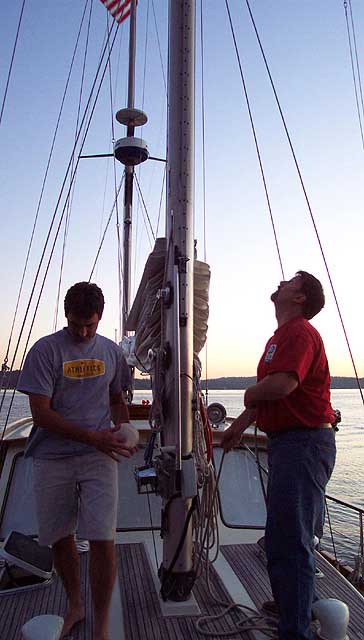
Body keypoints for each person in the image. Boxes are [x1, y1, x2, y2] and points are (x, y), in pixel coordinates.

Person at [18, 282, 137, 640]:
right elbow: (40, 414)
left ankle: (100, 625)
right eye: (76, 325)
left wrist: (125, 425)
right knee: (59, 535)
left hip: (98, 456)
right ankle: (75, 604)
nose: (83, 332)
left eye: (90, 325)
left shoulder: (112, 353)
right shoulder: (45, 351)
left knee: (102, 537)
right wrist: (91, 436)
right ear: (66, 315)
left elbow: (116, 397)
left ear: (99, 318)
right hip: (53, 457)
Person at [222, 271, 336, 640]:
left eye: (290, 281)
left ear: (300, 297)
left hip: (303, 445)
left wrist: (247, 395)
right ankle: (293, 605)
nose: (281, 283)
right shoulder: (281, 337)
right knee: (281, 536)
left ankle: (295, 628)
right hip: (290, 444)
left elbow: (283, 385)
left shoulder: (300, 333)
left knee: (292, 540)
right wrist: (238, 427)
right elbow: (273, 394)